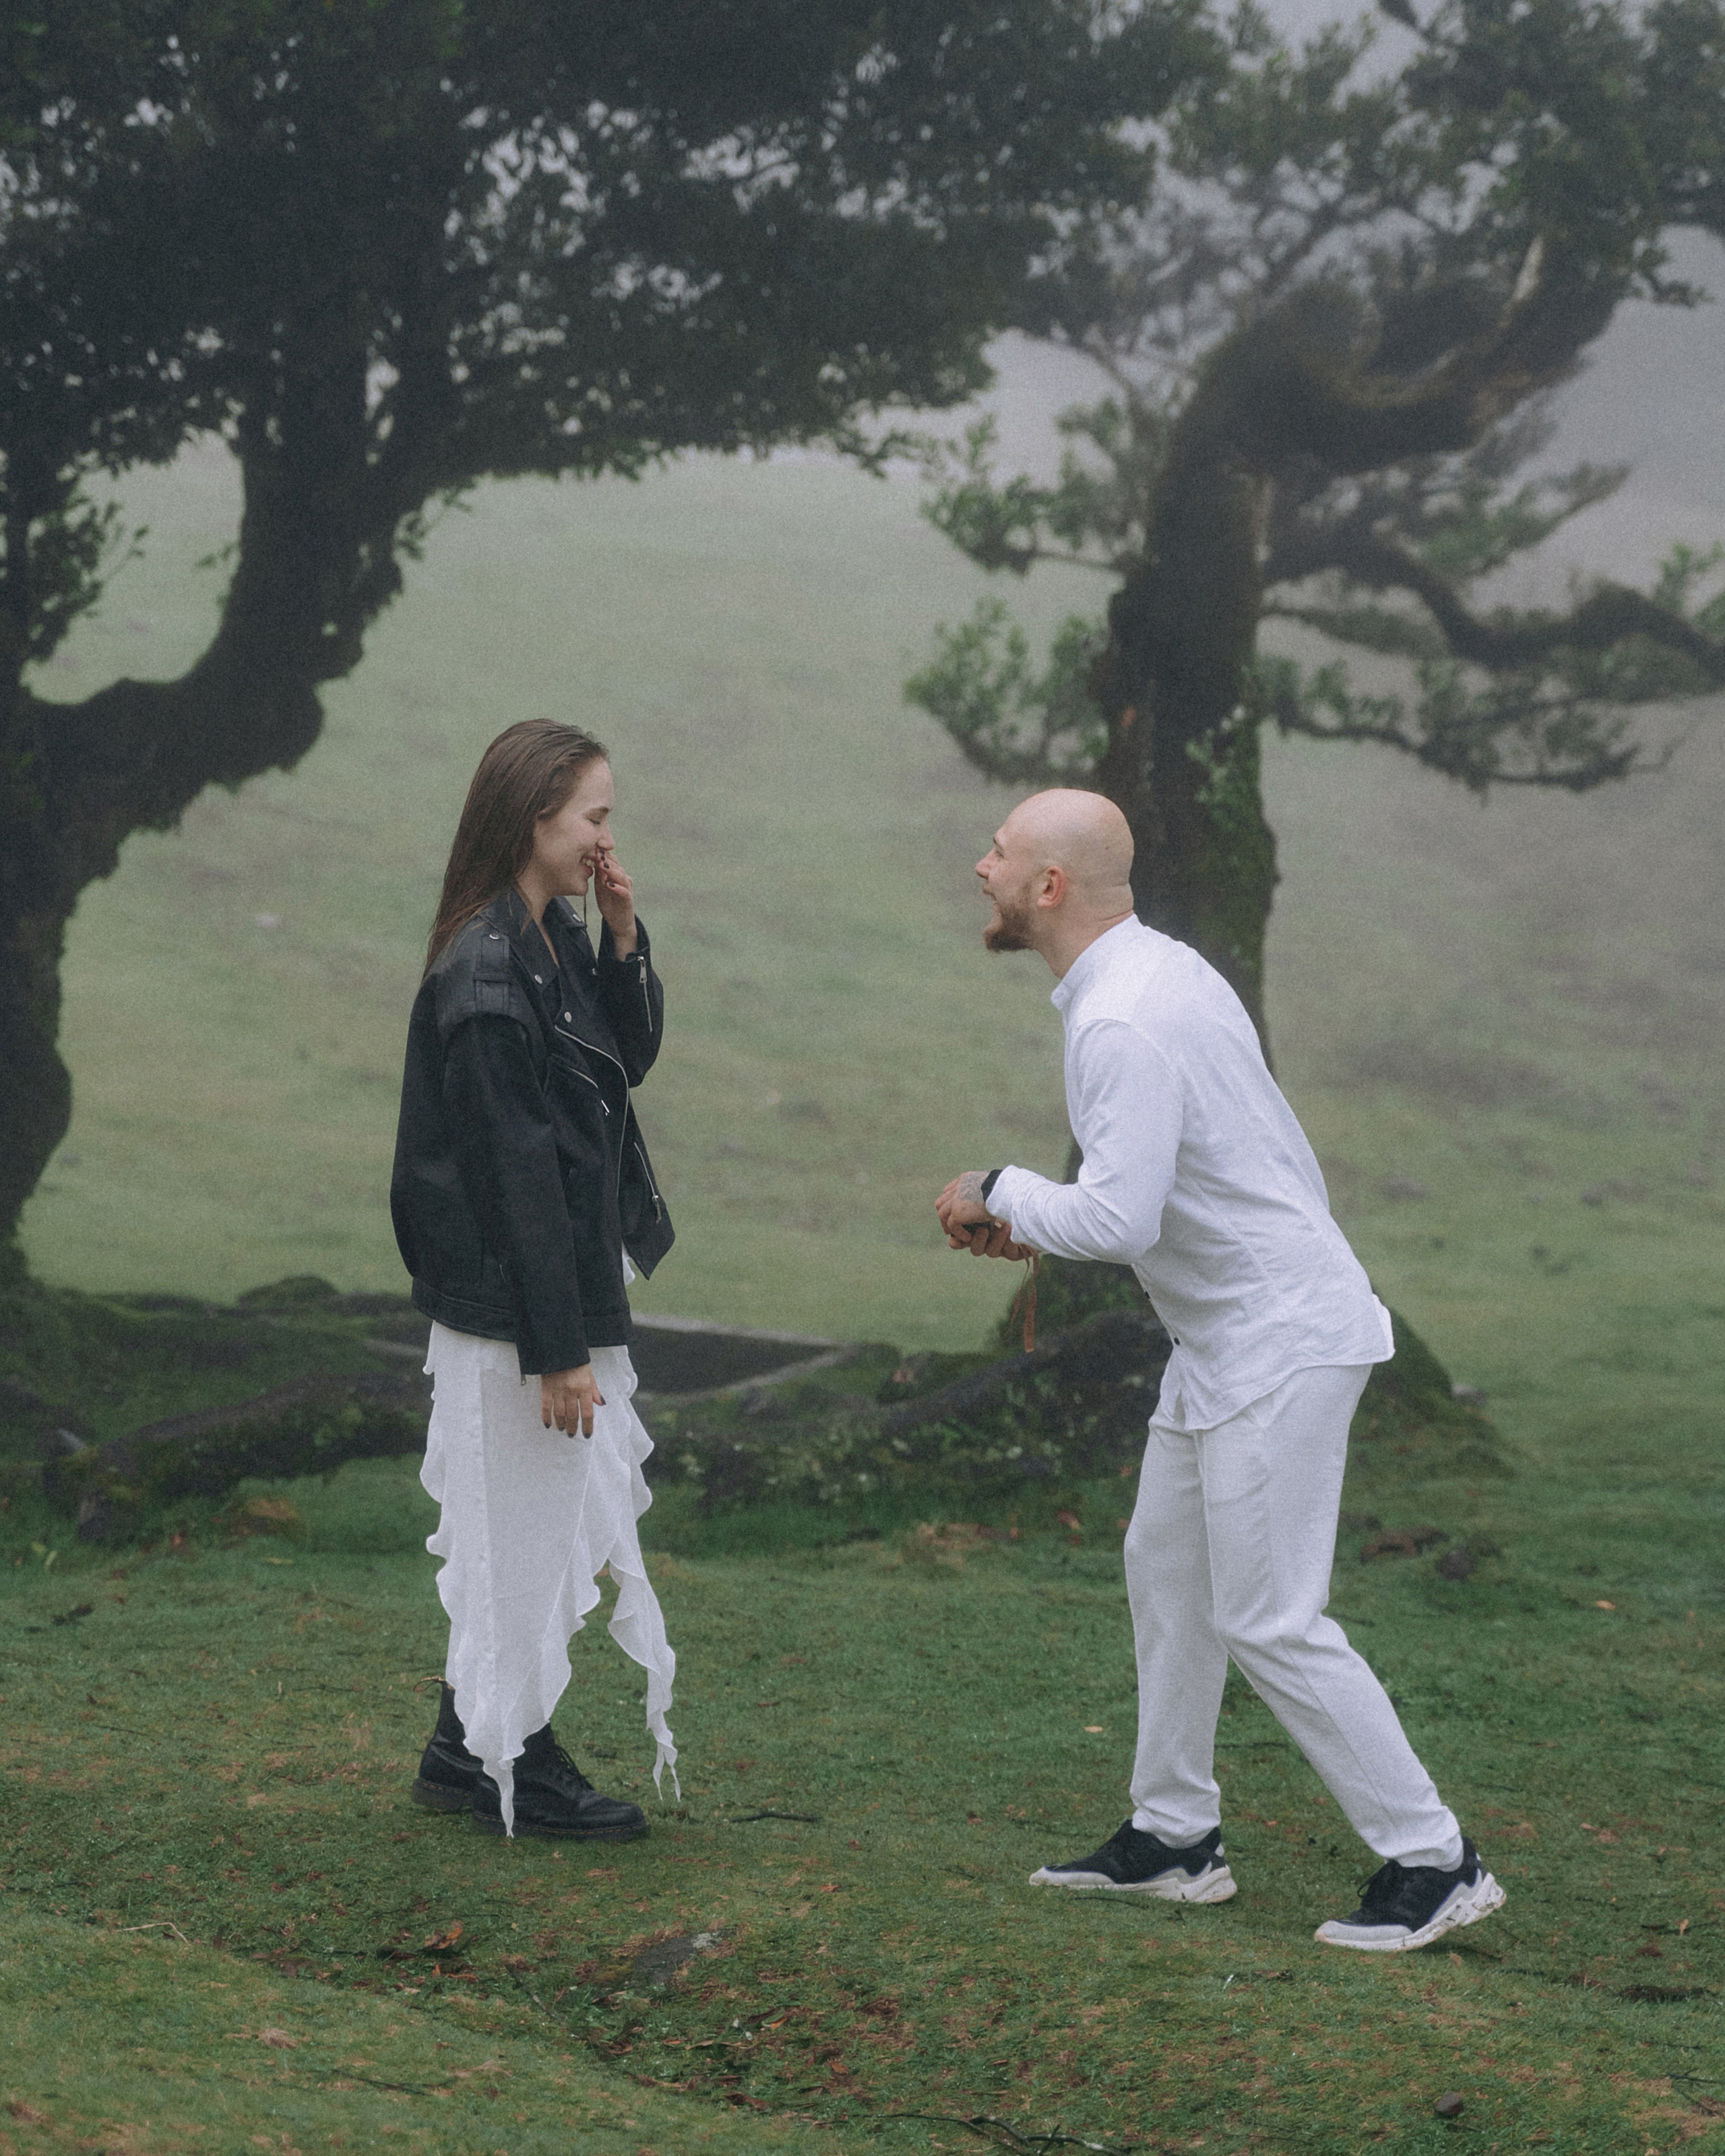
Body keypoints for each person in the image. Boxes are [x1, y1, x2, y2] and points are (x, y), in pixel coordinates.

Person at [936, 788, 1503, 1953]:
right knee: (1168, 1572)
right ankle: (1177, 1838)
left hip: (1279, 1338)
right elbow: (1146, 1193)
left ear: (1048, 889)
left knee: (1270, 1617)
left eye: (997, 853)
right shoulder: (1157, 973)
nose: (976, 866)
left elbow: (1121, 1218)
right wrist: (1038, 1215)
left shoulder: (1123, 1021)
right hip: (1232, 1340)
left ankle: (1434, 1858)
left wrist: (1000, 1193)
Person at [390, 719, 679, 1841]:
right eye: (596, 817)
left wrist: (619, 931)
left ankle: (464, 1743)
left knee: (552, 1518)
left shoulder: (549, 938)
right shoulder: (486, 974)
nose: (609, 836)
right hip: (517, 1308)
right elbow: (512, 1179)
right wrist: (554, 1349)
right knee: (526, 1529)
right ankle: (521, 1758)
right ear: (535, 820)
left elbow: (627, 1059)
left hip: (550, 1287)